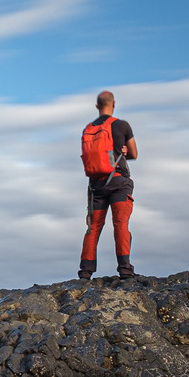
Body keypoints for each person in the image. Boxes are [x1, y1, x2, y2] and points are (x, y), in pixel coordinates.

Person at [79, 90, 137, 279]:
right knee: (120, 224)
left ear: (97, 106)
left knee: (93, 228)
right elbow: (134, 154)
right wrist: (124, 151)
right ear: (114, 104)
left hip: (96, 185)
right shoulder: (121, 125)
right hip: (119, 182)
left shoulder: (88, 129)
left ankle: (85, 272)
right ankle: (125, 270)